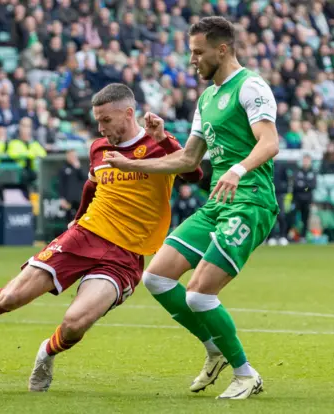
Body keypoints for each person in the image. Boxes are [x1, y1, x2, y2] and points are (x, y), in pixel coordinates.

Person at [0, 83, 203, 392]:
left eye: (106, 120)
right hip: (85, 235)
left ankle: (46, 352)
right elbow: (91, 187)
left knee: (75, 324)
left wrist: (163, 138)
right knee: (11, 297)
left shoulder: (160, 145)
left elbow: (194, 175)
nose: (100, 128)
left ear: (128, 113)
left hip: (125, 256)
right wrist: (76, 221)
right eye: (97, 121)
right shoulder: (99, 148)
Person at [105, 17, 279, 399]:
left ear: (223, 49)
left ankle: (246, 374)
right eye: (191, 53)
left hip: (250, 201)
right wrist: (133, 162)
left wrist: (236, 169)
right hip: (218, 202)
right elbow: (188, 161)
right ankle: (215, 347)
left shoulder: (251, 87)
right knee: (157, 278)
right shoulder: (205, 99)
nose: (193, 60)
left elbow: (269, 143)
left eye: (198, 52)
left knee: (199, 295)